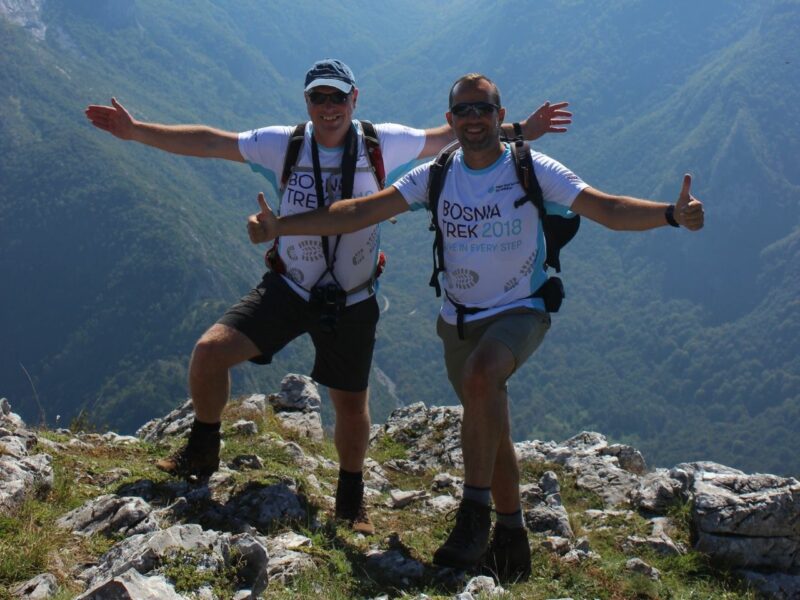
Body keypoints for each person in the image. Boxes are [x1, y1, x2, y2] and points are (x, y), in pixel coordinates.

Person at [246, 72, 704, 578]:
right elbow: (356, 213)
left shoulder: (532, 168)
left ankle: (472, 518)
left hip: (520, 310)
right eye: (462, 111)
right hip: (457, 321)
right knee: (490, 422)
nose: (473, 119)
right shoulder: (436, 175)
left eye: (482, 109)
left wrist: (670, 214)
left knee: (482, 378)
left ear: (500, 117)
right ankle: (512, 541)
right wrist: (281, 228)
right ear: (450, 120)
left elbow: (608, 209)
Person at [84, 60, 571, 535]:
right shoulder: (284, 143)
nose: (328, 106)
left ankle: (351, 497)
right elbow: (212, 141)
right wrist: (136, 131)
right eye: (319, 97)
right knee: (210, 353)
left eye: (338, 97)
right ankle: (202, 449)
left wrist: (522, 129)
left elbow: (459, 135)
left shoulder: (383, 141)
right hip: (289, 286)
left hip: (354, 298)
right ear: (308, 102)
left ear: (354, 100)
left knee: (350, 404)